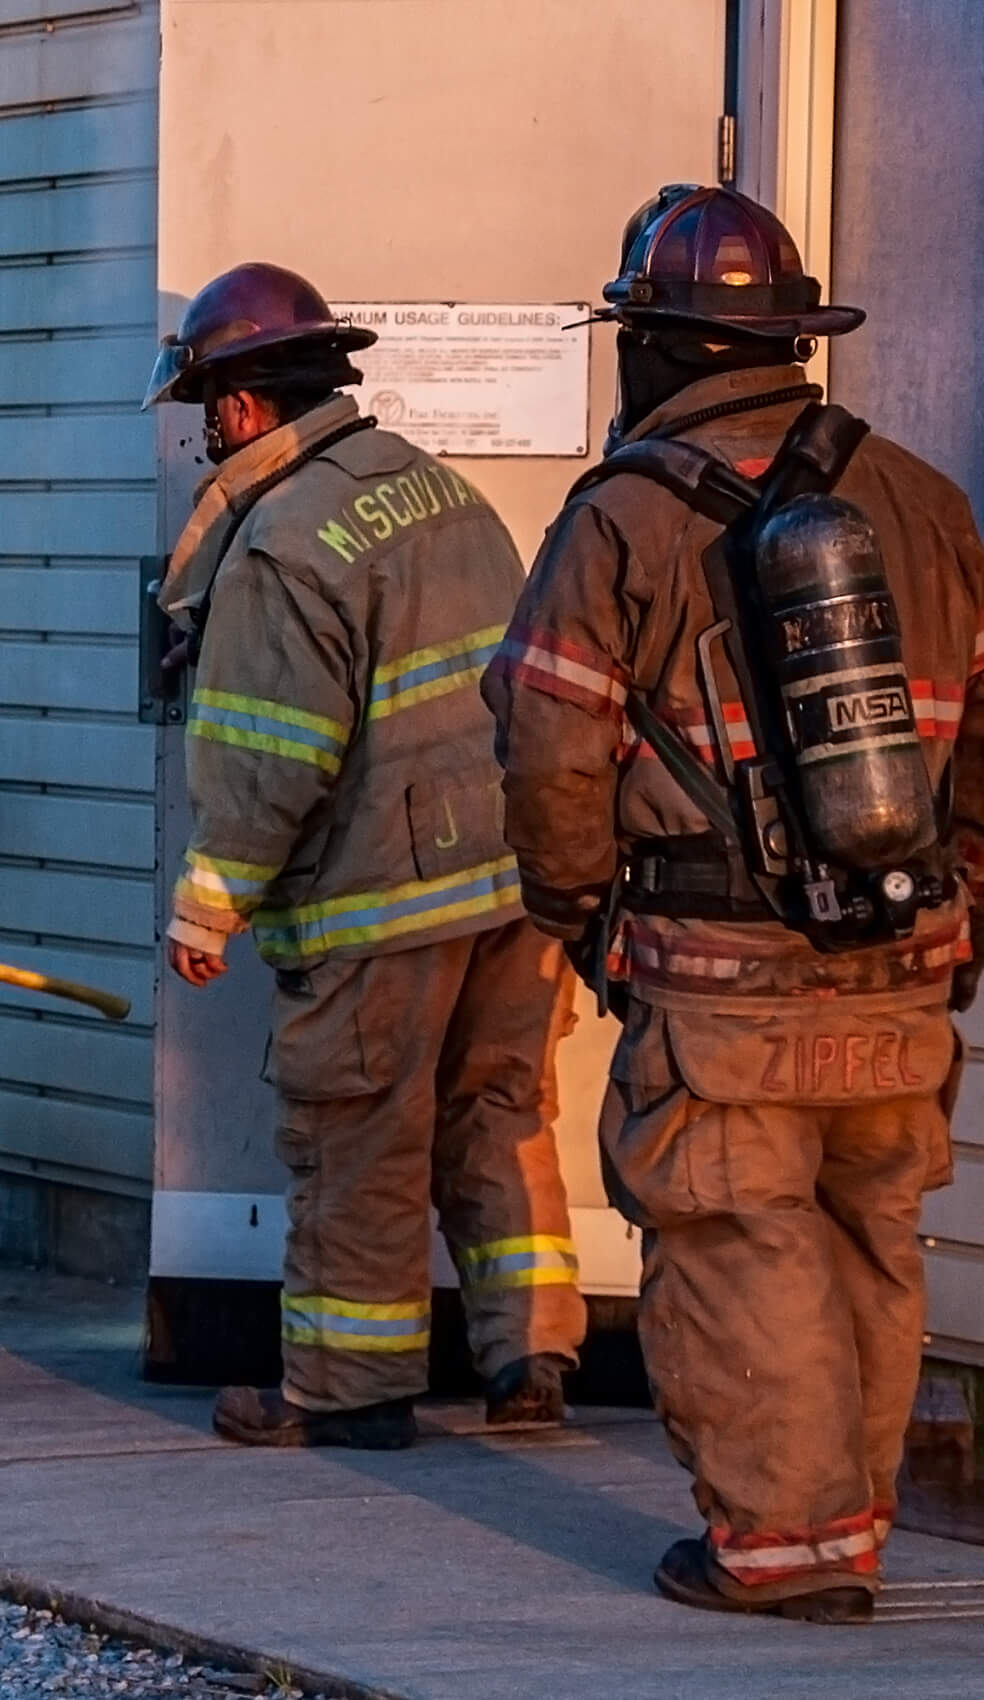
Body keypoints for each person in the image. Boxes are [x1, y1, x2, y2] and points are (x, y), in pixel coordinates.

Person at [487, 184, 984, 1624]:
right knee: (869, 1234)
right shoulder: (926, 499)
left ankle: (782, 1550)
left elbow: (547, 748)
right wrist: (962, 899)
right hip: (904, 958)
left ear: (651, 343)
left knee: (734, 1236)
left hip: (719, 975)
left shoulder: (623, 519)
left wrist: (578, 911)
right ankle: (851, 1526)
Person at [152, 262, 586, 1451]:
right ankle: (529, 1356)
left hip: (381, 904)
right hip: (512, 883)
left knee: (359, 1137)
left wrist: (207, 905)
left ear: (242, 405)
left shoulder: (280, 540)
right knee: (498, 1111)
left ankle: (350, 1387)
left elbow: (269, 758)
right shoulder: (442, 490)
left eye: (206, 411)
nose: (205, 435)